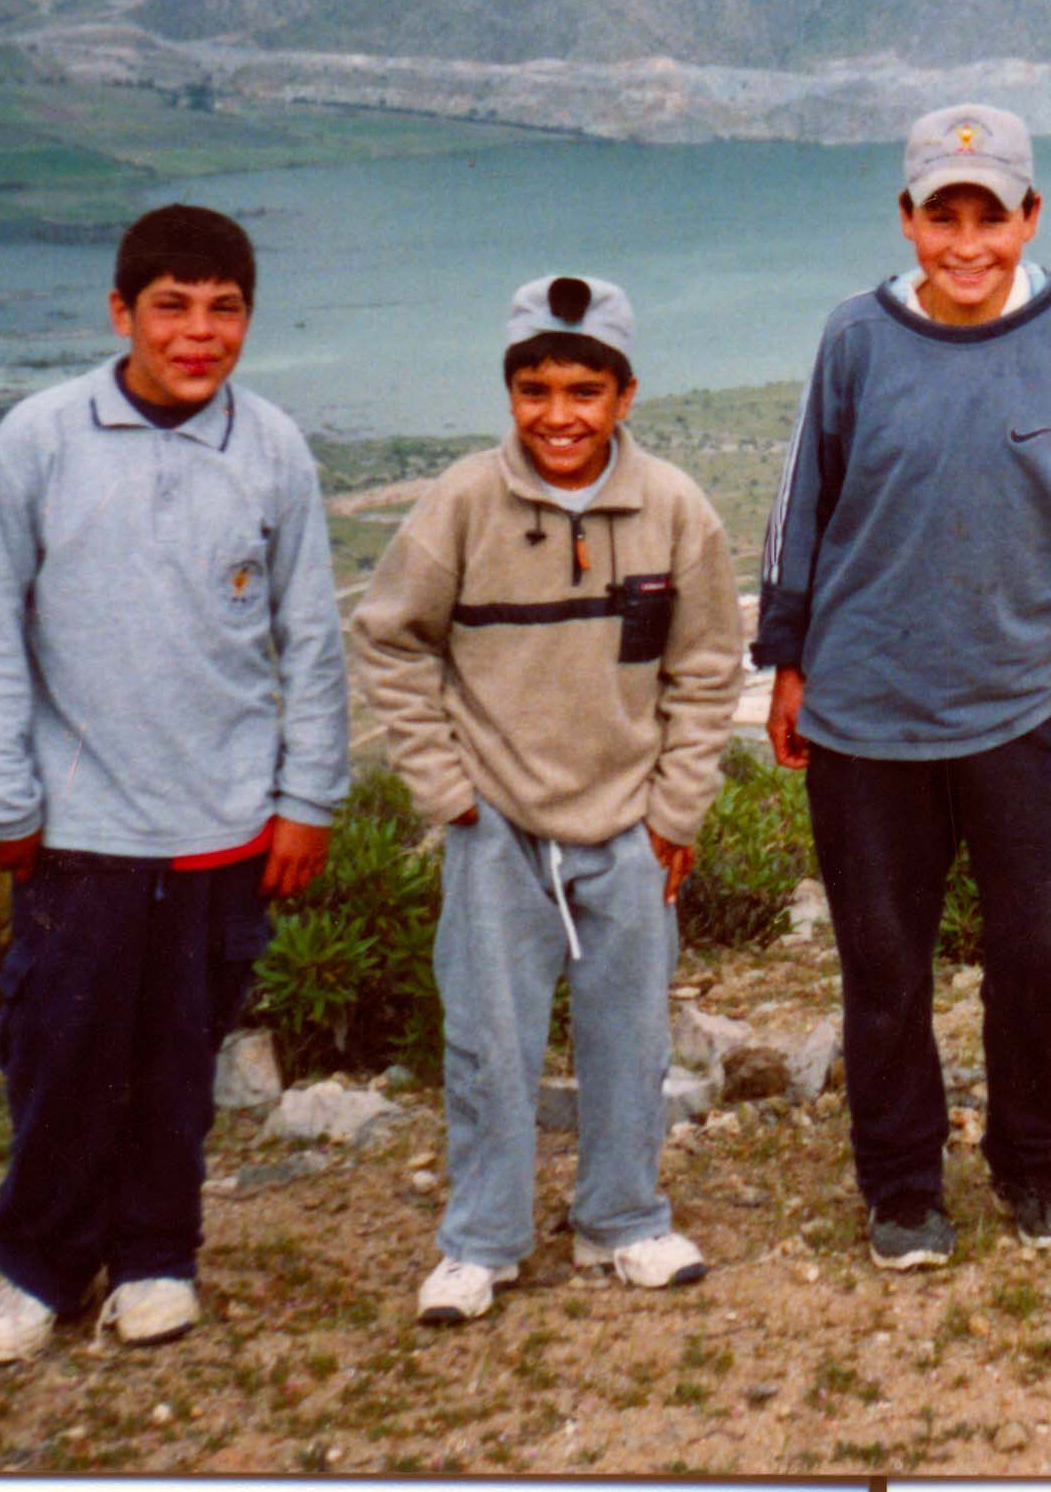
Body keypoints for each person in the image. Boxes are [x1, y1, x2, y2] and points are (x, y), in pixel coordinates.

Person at [754, 102, 1051, 1268]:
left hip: (1027, 703)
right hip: (866, 710)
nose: (964, 242)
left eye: (987, 216)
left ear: (1028, 215)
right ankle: (902, 1189)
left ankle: (1033, 1167)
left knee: (1045, 947)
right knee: (885, 966)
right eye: (939, 215)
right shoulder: (854, 338)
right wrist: (788, 656)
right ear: (905, 218)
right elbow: (801, 500)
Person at [0, 203, 350, 1363]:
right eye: (170, 304)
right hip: (82, 825)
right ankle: (38, 1262)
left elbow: (309, 636)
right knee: (62, 1050)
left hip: (225, 823)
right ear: (121, 310)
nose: (198, 331)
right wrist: (3, 796)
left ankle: (158, 1254)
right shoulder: (39, 438)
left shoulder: (271, 448)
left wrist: (306, 795)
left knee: (181, 1053)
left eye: (224, 308)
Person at [353, 273, 746, 1325]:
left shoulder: (672, 508)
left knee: (631, 1032)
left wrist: (676, 810)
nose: (558, 414)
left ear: (624, 394)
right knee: (489, 1037)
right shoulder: (464, 503)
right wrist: (445, 788)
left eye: (584, 389)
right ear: (510, 391)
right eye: (534, 388)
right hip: (496, 827)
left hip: (627, 823)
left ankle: (624, 1216)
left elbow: (708, 667)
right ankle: (481, 1239)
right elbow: (390, 635)